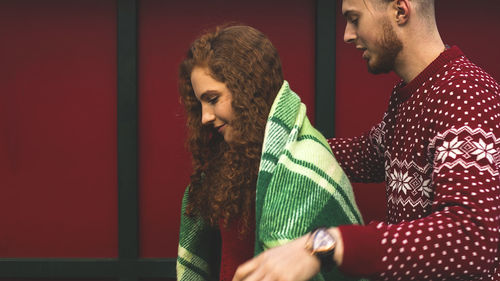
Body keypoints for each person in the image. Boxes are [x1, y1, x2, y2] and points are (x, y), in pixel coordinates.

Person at [233, 0, 500, 280]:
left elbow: (471, 238)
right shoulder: (408, 94)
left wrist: (330, 244)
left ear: (400, 11)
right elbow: (367, 155)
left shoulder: (465, 94)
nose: (347, 34)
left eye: (355, 18)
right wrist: (273, 148)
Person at [176, 25, 365, 281]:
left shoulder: (306, 161)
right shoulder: (223, 167)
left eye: (212, 99)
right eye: (199, 104)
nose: (205, 117)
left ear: (247, 90)